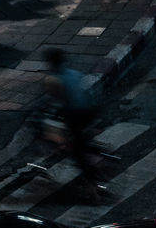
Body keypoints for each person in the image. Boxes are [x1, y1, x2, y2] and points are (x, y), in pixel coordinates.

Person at [43, 47, 108, 198]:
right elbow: (86, 93)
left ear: (50, 63)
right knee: (82, 138)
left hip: (75, 115)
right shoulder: (74, 73)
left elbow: (57, 103)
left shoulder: (52, 79)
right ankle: (93, 148)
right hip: (90, 111)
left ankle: (92, 188)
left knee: (77, 152)